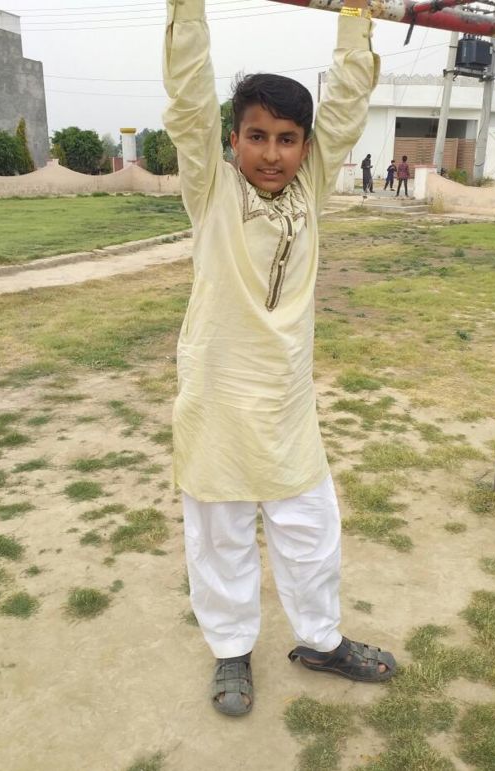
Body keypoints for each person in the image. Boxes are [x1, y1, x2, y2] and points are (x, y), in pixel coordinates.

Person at [162, 0, 396, 717]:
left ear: (306, 146)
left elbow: (347, 106)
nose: (272, 154)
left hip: (287, 406)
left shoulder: (311, 190)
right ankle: (231, 649)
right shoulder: (212, 189)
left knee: (311, 533)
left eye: (288, 139)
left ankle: (321, 640)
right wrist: (187, 10)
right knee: (220, 538)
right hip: (216, 403)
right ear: (231, 140)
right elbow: (188, 96)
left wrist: (356, 19)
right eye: (257, 137)